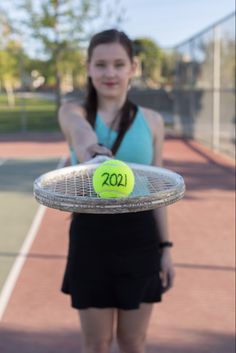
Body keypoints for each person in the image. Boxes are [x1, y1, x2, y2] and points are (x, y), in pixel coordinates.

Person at [58, 29, 175, 353]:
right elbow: (80, 134)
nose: (110, 73)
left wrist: (165, 247)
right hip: (91, 238)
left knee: (133, 343)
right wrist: (93, 152)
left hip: (140, 238)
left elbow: (157, 191)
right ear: (88, 67)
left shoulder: (152, 121)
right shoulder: (73, 111)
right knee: (97, 345)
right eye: (101, 64)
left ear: (132, 68)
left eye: (118, 64)